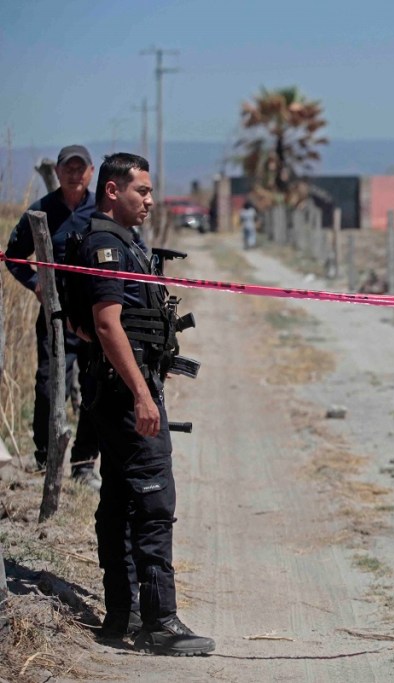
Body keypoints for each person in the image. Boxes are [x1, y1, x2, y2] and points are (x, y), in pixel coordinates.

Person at [77, 152, 214, 655]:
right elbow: (107, 323)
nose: (150, 201)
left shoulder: (121, 241)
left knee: (119, 501)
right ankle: (161, 622)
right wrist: (141, 393)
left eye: (152, 191)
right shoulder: (104, 243)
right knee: (154, 504)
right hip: (124, 393)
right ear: (113, 191)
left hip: (117, 390)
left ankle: (122, 614)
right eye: (142, 191)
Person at [4, 145, 102, 489]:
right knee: (48, 385)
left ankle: (85, 463)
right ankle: (46, 459)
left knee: (94, 387)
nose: (74, 174)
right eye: (68, 168)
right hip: (55, 315)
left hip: (96, 316)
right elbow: (13, 256)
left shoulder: (103, 210)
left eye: (80, 168)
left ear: (91, 172)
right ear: (57, 172)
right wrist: (35, 285)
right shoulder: (41, 212)